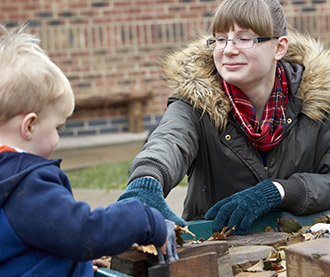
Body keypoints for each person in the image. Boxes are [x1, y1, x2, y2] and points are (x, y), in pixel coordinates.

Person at [118, 0, 330, 235]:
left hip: (305, 245)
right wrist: (146, 182)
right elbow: (169, 140)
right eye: (220, 39)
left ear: (279, 48)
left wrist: (280, 191)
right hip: (216, 247)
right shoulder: (196, 101)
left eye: (244, 38)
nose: (228, 49)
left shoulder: (319, 102)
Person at [0, 25, 175, 276]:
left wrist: (69, 261)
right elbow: (84, 230)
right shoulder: (25, 185)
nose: (58, 137)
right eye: (57, 127)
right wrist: (147, 220)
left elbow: (31, 241)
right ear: (30, 125)